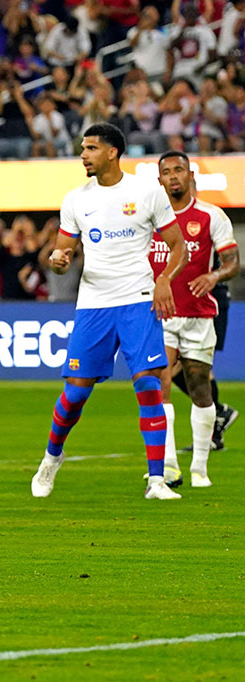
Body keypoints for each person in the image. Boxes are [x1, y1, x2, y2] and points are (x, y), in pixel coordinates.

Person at [31, 123, 188, 501]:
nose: (83, 155)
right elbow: (61, 256)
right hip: (95, 304)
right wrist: (58, 259)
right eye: (83, 148)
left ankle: (156, 480)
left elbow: (177, 245)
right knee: (75, 395)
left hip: (138, 298)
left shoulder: (147, 191)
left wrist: (165, 277)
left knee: (149, 385)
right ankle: (51, 459)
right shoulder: (75, 200)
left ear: (113, 152)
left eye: (90, 148)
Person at [152, 152, 239, 486]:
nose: (173, 177)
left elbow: (232, 261)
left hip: (199, 315)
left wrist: (215, 277)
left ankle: (200, 469)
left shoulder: (210, 215)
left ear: (190, 176)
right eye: (166, 172)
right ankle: (168, 466)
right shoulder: (150, 217)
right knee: (160, 383)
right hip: (161, 315)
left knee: (200, 387)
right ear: (160, 180)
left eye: (178, 170)